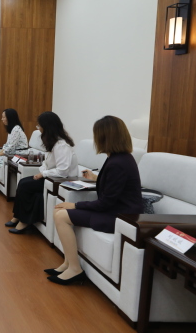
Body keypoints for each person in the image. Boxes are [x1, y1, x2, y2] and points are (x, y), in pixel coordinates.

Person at [46, 116, 143, 285]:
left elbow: (106, 202)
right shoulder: (119, 158)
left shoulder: (118, 162)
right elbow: (114, 187)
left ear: (105, 137)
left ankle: (75, 269)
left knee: (61, 215)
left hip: (120, 217)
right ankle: (68, 263)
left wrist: (75, 205)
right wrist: (95, 178)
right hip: (115, 211)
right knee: (59, 212)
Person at [6, 111, 78, 234]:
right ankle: (18, 216)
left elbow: (63, 171)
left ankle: (24, 221)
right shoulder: (53, 142)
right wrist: (43, 171)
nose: (38, 129)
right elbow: (46, 162)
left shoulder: (61, 146)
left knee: (25, 185)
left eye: (39, 126)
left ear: (47, 127)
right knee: (23, 182)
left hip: (60, 181)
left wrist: (43, 174)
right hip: (51, 177)